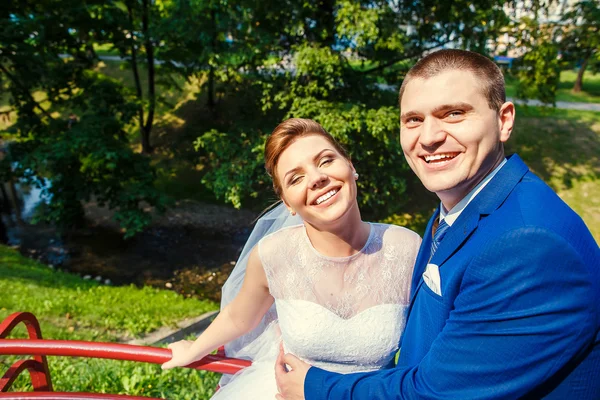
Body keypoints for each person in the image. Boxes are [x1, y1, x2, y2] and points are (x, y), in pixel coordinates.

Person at [275, 49, 600, 399]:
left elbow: (433, 393)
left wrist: (313, 387)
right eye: (413, 119)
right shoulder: (457, 208)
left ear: (504, 120)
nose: (429, 137)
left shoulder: (528, 244)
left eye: (454, 113)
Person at [161, 118, 421, 399]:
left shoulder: (406, 248)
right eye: (296, 178)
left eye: (325, 161)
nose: (316, 178)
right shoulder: (272, 254)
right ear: (287, 202)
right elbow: (239, 317)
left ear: (351, 166)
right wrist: (194, 348)